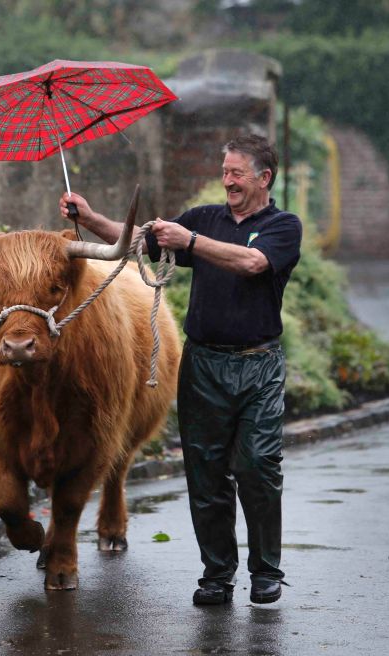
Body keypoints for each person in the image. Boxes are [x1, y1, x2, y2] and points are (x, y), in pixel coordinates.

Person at [59, 134, 302, 606]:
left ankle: (266, 571)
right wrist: (88, 218)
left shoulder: (282, 225)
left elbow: (253, 263)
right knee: (205, 473)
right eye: (225, 171)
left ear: (264, 178)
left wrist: (190, 241)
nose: (227, 180)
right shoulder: (205, 217)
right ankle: (217, 575)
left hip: (259, 366)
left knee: (258, 468)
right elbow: (134, 243)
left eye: (237, 173)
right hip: (203, 363)